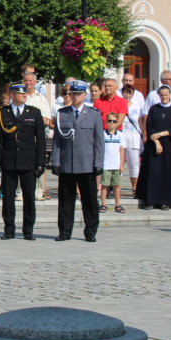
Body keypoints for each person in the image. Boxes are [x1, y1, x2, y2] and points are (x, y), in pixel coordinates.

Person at [0, 83, 46, 240]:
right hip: (9, 161)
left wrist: (41, 162)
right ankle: (9, 229)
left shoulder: (34, 113)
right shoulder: (2, 113)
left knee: (29, 196)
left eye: (25, 93)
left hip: (28, 162)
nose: (24, 95)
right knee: (8, 198)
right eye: (20, 93)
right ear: (12, 95)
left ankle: (28, 230)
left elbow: (40, 139)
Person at [50, 80, 103, 242]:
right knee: (66, 201)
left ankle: (91, 232)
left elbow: (99, 141)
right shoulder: (62, 113)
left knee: (90, 201)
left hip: (87, 164)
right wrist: (56, 161)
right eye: (73, 93)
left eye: (79, 93)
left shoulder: (93, 114)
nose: (75, 96)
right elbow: (57, 141)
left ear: (85, 95)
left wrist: (99, 163)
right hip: (67, 163)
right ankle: (65, 232)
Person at [136, 85, 171, 211]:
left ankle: (166, 201)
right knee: (153, 172)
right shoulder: (154, 109)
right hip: (154, 146)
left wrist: (160, 134)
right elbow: (149, 127)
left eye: (166, 94)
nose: (164, 97)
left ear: (170, 95)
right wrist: (157, 142)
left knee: (167, 173)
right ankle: (150, 200)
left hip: (169, 145)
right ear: (158, 96)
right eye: (162, 95)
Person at [22, 71, 52, 200]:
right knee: (22, 165)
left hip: (36, 137)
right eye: (26, 80)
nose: (28, 83)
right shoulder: (19, 96)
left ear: (35, 83)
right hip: (22, 137)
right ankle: (21, 193)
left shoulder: (41, 98)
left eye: (30, 81)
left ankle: (39, 192)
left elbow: (46, 118)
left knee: (39, 164)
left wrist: (31, 121)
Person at [100, 114, 127, 213]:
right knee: (104, 185)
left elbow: (122, 150)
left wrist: (122, 165)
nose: (112, 123)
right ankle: (103, 204)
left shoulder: (120, 135)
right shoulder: (102, 134)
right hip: (105, 164)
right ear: (106, 122)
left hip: (116, 164)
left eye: (114, 121)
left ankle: (117, 204)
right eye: (110, 121)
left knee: (117, 185)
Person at [121, 85, 143, 196]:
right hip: (121, 137)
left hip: (134, 137)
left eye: (130, 93)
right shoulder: (118, 105)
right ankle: (116, 187)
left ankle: (135, 188)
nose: (127, 95)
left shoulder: (137, 106)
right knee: (119, 164)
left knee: (134, 164)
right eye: (125, 92)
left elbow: (141, 122)